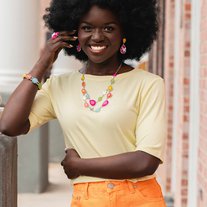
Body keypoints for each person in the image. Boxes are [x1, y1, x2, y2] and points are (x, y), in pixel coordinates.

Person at [0, 0, 167, 206]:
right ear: (74, 33)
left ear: (125, 32)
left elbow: (146, 161)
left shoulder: (148, 84)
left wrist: (80, 166)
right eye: (87, 28)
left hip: (139, 198)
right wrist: (43, 63)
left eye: (109, 28)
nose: (97, 37)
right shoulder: (59, 86)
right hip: (87, 200)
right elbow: (9, 125)